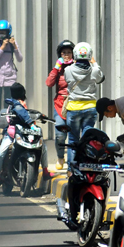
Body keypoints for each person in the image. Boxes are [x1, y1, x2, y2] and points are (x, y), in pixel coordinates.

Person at [0, 83, 54, 191]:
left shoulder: (22, 103)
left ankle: (45, 171)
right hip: (11, 133)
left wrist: (41, 116)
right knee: (0, 154)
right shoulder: (14, 103)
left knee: (43, 146)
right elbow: (22, 113)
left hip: (24, 133)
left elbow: (27, 113)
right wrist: (31, 123)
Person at [63, 42, 104, 170]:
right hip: (90, 108)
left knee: (73, 140)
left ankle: (72, 170)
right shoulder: (94, 70)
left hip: (74, 108)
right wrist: (95, 63)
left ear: (74, 54)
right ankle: (87, 167)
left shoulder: (68, 70)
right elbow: (101, 79)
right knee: (88, 140)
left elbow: (67, 81)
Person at [0, 20, 23, 141]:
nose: (1, 35)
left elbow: (20, 59)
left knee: (7, 106)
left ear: (8, 32)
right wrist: (2, 47)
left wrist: (15, 47)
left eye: (3, 33)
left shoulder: (12, 42)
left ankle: (6, 130)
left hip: (9, 78)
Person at [46, 40, 76, 170]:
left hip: (74, 103)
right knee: (60, 134)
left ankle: (72, 163)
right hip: (60, 103)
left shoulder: (76, 67)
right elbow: (49, 83)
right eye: (64, 53)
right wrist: (56, 68)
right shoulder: (58, 69)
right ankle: (60, 157)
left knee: (74, 135)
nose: (67, 55)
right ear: (60, 54)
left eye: (69, 52)